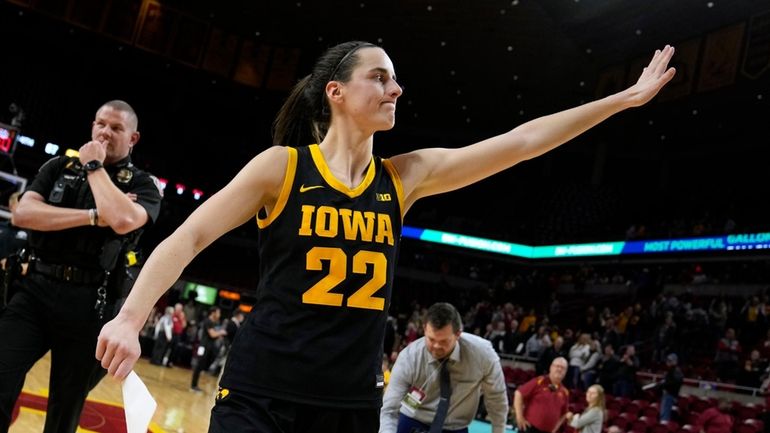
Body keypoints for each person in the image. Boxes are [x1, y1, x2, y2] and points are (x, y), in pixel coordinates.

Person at [96, 41, 676, 433]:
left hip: (349, 404)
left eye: (396, 79)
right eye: (380, 77)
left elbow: (523, 142)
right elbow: (189, 237)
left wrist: (621, 101)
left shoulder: (404, 177)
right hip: (260, 394)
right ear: (336, 92)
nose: (396, 88)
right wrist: (130, 316)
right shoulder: (282, 168)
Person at [0, 100, 162, 433]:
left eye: (116, 128)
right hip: (34, 290)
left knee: (65, 409)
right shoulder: (58, 167)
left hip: (91, 305)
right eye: (101, 124)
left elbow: (121, 219)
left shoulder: (143, 184)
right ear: (92, 125)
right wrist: (92, 217)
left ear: (133, 138)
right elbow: (24, 215)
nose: (105, 132)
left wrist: (94, 167)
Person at [379, 302, 508, 433]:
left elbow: (497, 399)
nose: (436, 346)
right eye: (431, 339)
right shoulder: (409, 357)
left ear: (458, 334)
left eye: (443, 341)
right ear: (424, 329)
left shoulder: (483, 355)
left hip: (455, 427)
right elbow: (389, 410)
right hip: (412, 419)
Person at [514, 357, 570, 433]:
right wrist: (519, 417)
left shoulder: (564, 392)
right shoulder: (539, 381)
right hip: (529, 428)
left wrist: (554, 429)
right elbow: (519, 393)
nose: (559, 369)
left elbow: (564, 414)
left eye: (562, 368)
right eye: (557, 366)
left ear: (566, 372)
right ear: (551, 367)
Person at [659, 353, 683, 422]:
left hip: (669, 396)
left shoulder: (673, 372)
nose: (667, 362)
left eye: (669, 361)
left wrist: (662, 385)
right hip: (673, 396)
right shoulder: (677, 371)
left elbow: (670, 384)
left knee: (665, 417)